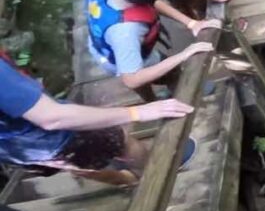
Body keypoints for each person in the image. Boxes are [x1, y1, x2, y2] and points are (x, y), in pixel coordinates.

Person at [0, 53, 194, 186]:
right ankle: (154, 175)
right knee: (122, 140)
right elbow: (51, 117)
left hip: (19, 149)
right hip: (55, 136)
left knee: (74, 163)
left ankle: (127, 180)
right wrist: (137, 112)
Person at [87, 0, 218, 94]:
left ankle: (152, 99)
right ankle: (175, 94)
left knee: (141, 77)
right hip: (118, 54)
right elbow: (131, 79)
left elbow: (149, 2)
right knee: (167, 73)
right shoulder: (126, 32)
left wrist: (191, 23)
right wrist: (184, 54)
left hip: (102, 45)